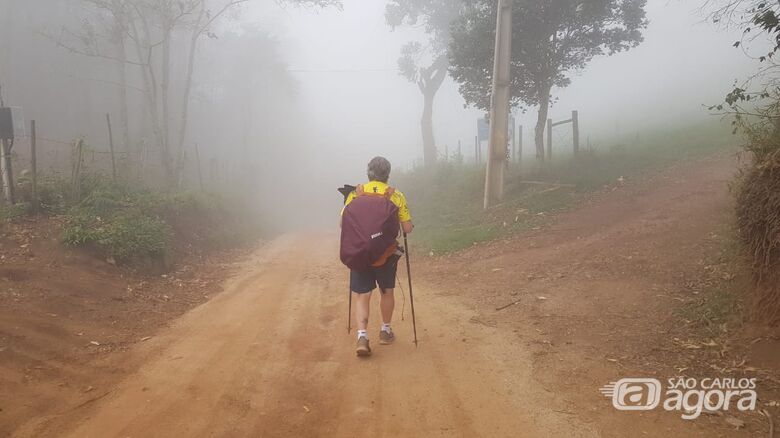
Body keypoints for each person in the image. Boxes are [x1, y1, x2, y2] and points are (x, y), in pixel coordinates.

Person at [341, 156, 413, 356]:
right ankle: (385, 331)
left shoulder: (356, 194)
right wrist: (407, 225)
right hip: (386, 254)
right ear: (387, 175)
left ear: (368, 173)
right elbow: (407, 227)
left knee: (362, 295)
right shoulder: (396, 195)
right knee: (386, 292)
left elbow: (342, 224)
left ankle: (362, 336)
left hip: (360, 252)